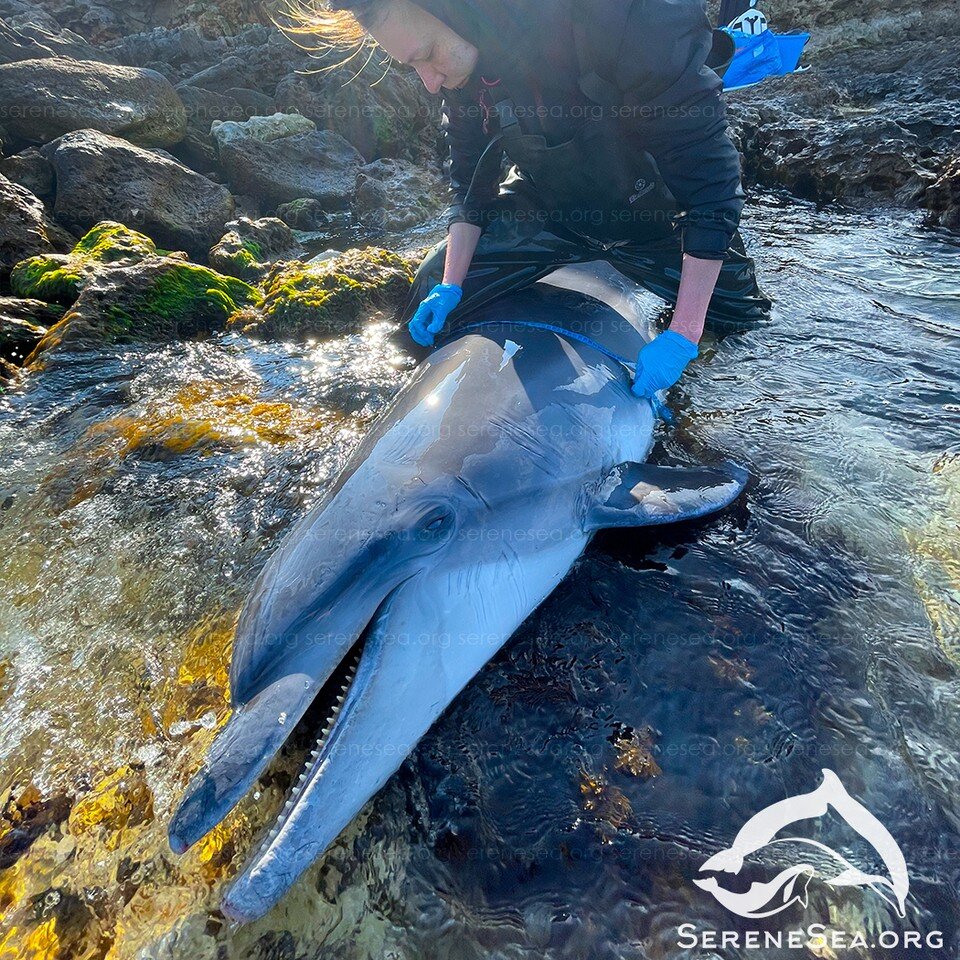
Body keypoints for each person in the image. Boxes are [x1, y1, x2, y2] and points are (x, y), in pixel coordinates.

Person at [298, 0, 771, 399]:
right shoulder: (461, 72)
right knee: (428, 288)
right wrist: (451, 285)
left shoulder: (625, 18)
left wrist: (684, 333)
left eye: (428, 55)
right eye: (413, 66)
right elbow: (468, 182)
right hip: (551, 210)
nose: (430, 81)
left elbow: (710, 185)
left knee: (742, 324)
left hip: (658, 219)